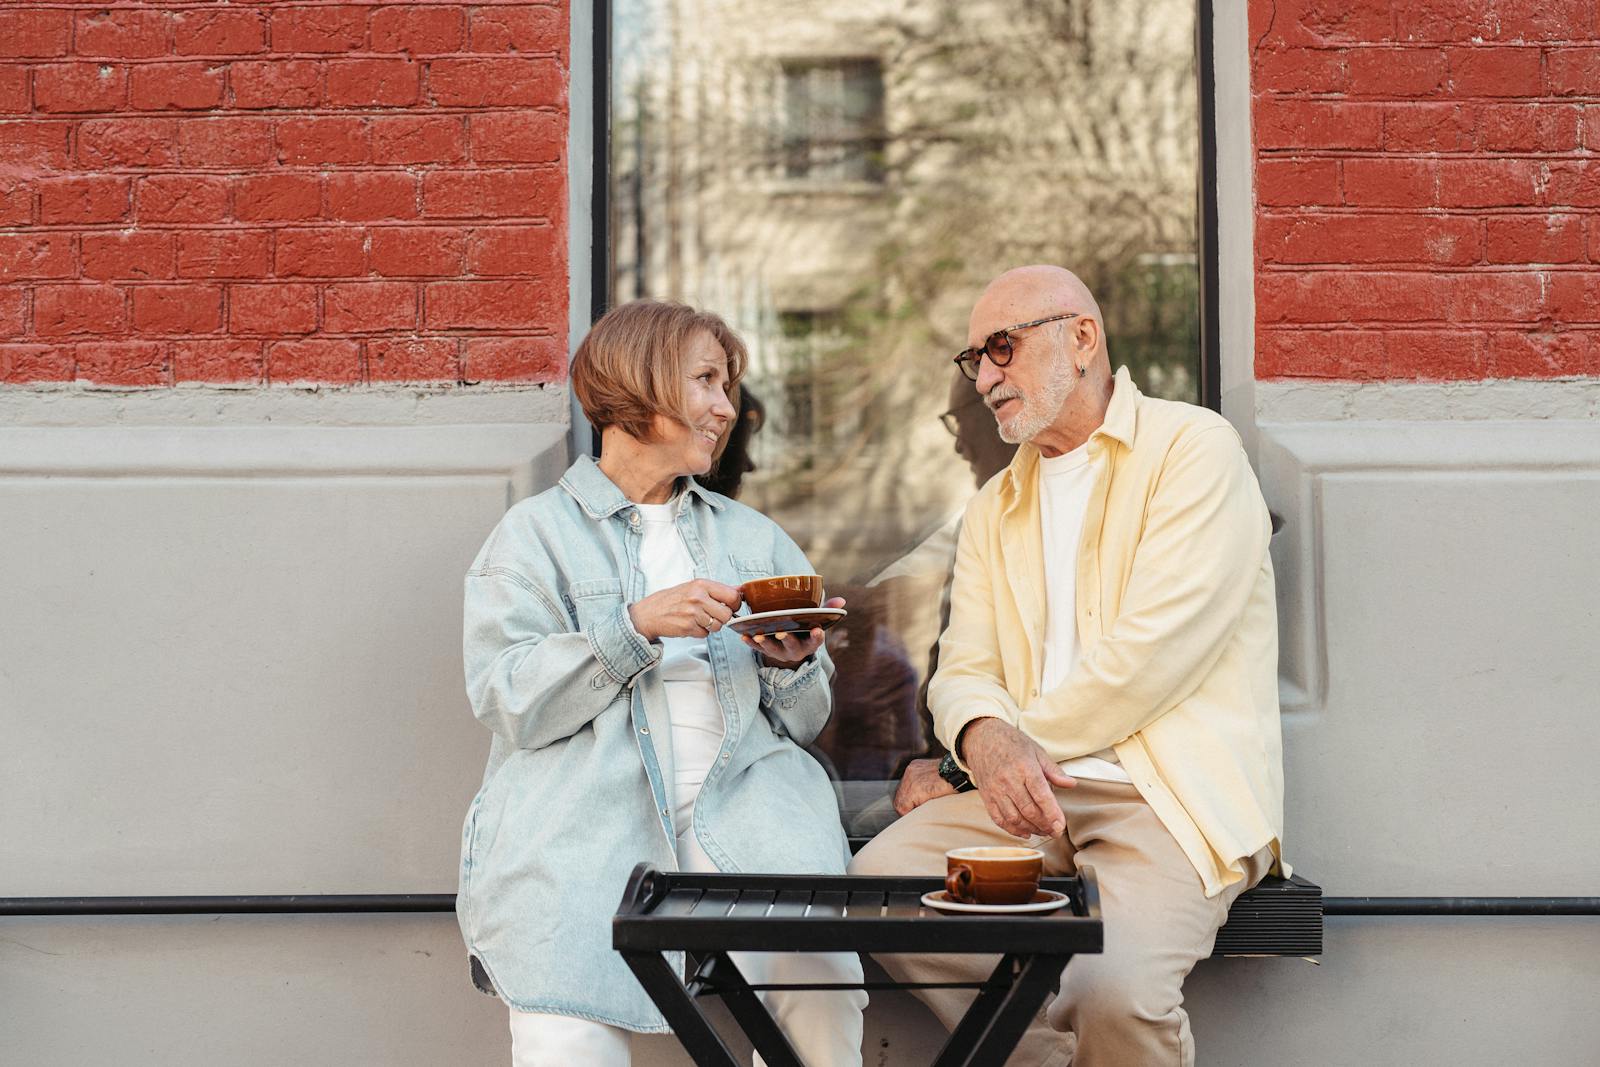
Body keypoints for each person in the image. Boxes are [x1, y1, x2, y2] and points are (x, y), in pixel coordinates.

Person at [851, 265, 1286, 1066]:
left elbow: (1148, 660)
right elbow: (963, 666)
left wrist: (972, 762)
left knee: (1113, 988)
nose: (985, 377)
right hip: (1020, 799)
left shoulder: (1194, 450)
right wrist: (981, 734)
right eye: (973, 360)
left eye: (1002, 348)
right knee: (881, 889)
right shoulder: (994, 507)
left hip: (1162, 797)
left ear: (1082, 338)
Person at [457, 299, 866, 1067]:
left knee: (821, 985)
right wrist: (634, 626)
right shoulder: (534, 535)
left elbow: (809, 720)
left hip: (750, 826)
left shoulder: (753, 538)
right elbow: (507, 695)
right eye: (706, 380)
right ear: (638, 383)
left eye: (728, 383)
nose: (727, 406)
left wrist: (792, 662)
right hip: (584, 838)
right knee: (564, 1031)